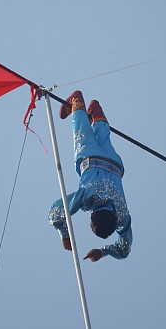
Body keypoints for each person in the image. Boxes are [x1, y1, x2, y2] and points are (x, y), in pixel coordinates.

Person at [48, 90, 132, 261]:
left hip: (114, 163)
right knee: (81, 131)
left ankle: (97, 113)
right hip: (90, 158)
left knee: (104, 138)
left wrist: (103, 252)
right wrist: (65, 235)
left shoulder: (122, 214)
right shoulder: (88, 198)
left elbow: (125, 248)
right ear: (93, 216)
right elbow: (55, 213)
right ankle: (76, 101)